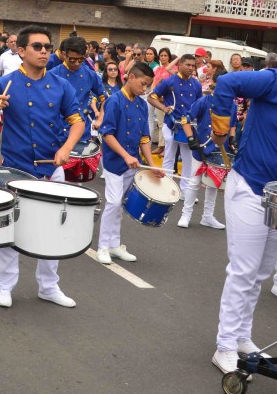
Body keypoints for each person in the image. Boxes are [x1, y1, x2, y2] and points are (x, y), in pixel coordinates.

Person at [0, 24, 85, 309]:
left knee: (54, 228)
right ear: (20, 51)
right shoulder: (6, 82)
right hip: (15, 169)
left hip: (51, 167)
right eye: (37, 47)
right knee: (10, 229)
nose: (44, 52)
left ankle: (49, 285)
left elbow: (77, 121)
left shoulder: (60, 84)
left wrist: (66, 148)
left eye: (47, 47)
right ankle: (4, 286)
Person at [209, 59, 277, 373]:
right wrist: (221, 126)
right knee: (244, 270)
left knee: (262, 272)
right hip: (250, 188)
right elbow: (226, 84)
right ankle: (225, 345)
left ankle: (242, 337)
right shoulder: (271, 80)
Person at [96, 63, 163, 265]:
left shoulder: (142, 104)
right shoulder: (114, 101)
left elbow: (144, 138)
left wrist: (151, 165)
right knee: (113, 202)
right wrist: (126, 156)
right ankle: (103, 246)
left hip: (132, 163)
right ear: (131, 77)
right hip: (114, 162)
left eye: (148, 86)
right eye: (143, 84)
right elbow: (106, 133)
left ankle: (115, 244)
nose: (145, 89)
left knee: (121, 204)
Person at [177, 69, 232, 230]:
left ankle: (207, 216)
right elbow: (185, 119)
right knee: (194, 182)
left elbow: (233, 124)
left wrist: (233, 138)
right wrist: (191, 139)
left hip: (219, 149)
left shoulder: (231, 104)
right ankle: (185, 214)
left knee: (213, 184)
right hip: (201, 147)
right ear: (214, 84)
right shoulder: (204, 101)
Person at [148, 54, 201, 197]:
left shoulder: (196, 84)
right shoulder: (169, 81)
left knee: (188, 158)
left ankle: (185, 191)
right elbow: (151, 97)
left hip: (189, 126)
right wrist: (163, 107)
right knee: (170, 153)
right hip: (171, 123)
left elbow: (200, 104)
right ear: (180, 65)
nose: (191, 68)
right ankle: (166, 186)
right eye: (188, 65)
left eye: (193, 65)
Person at [49, 36, 105, 145]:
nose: (77, 63)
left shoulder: (90, 74)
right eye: (73, 59)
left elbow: (104, 99)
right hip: (56, 132)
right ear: (64, 55)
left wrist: (100, 119)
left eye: (81, 59)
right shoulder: (52, 75)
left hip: (82, 133)